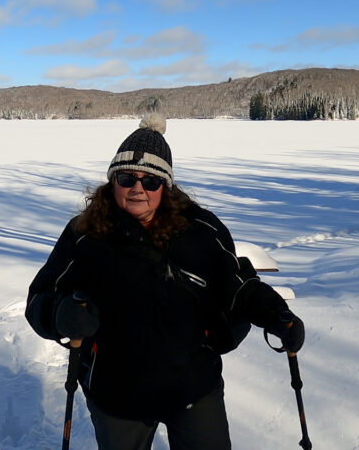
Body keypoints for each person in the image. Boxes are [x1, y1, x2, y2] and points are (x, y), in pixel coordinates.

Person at [26, 114, 305, 450]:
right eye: (127, 178)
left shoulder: (202, 231)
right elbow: (38, 299)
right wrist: (60, 315)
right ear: (112, 182)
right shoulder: (85, 235)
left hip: (194, 389)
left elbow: (237, 288)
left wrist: (276, 314)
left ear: (166, 186)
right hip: (117, 396)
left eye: (151, 181)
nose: (137, 189)